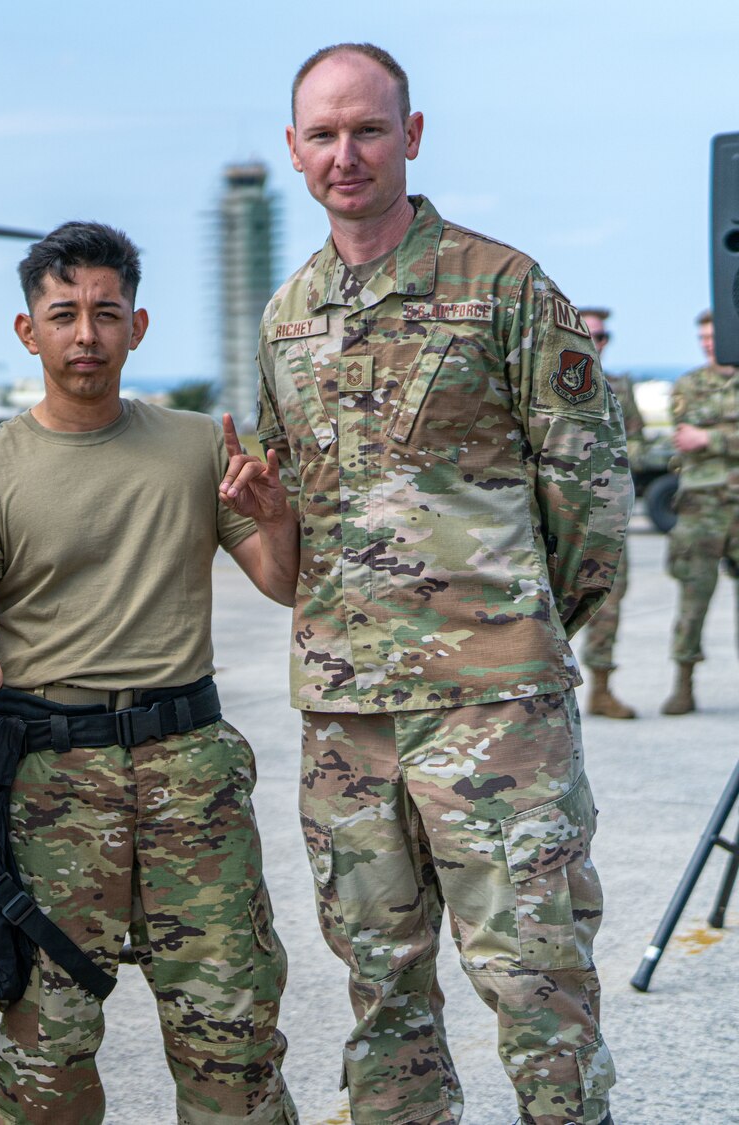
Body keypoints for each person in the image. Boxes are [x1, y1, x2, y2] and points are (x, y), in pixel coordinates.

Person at [258, 44, 630, 1125]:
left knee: (534, 981)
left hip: (492, 712)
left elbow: (587, 496)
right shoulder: (286, 319)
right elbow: (298, 516)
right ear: (293, 150)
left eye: (366, 129)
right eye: (321, 134)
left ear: (409, 136)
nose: (344, 154)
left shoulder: (501, 288)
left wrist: (511, 634)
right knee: (380, 990)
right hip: (345, 716)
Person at [0, 221, 300, 1125]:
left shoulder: (198, 445)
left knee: (232, 1028)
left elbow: (282, 581)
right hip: (51, 776)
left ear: (138, 325)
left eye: (105, 312)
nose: (85, 334)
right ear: (29, 331)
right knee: (46, 1042)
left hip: (190, 766)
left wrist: (277, 514)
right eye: (63, 314)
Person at [661, 309, 739, 715]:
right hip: (700, 509)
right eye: (703, 338)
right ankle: (683, 683)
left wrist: (709, 436)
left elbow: (696, 437)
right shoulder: (689, 384)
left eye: (715, 335)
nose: (710, 343)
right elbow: (681, 436)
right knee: (692, 602)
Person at [576, 308, 646, 718]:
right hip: (553, 516)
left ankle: (601, 689)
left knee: (610, 601)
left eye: (601, 337)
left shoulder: (618, 385)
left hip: (608, 514)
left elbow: (635, 440)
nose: (595, 344)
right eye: (587, 335)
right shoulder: (541, 385)